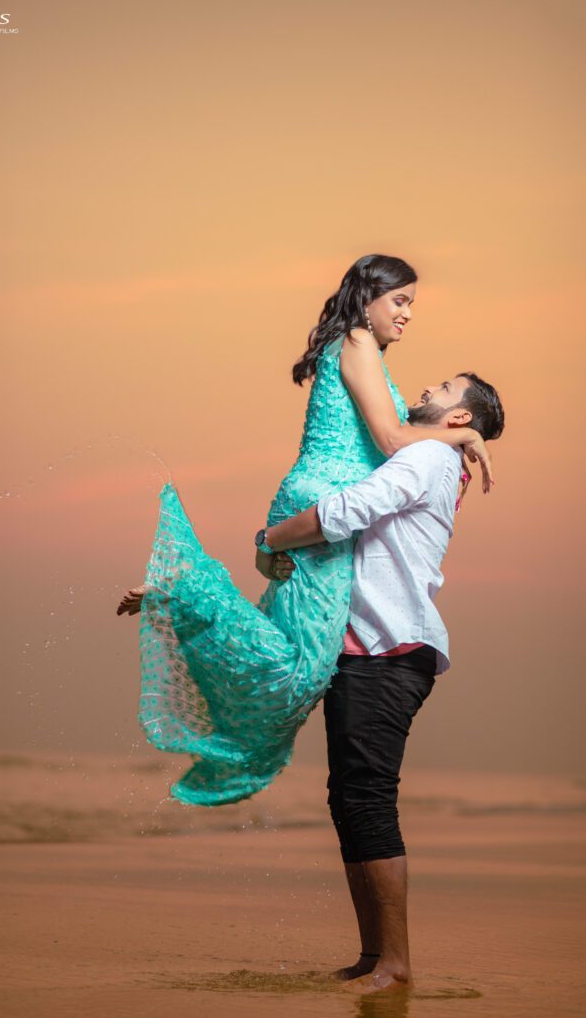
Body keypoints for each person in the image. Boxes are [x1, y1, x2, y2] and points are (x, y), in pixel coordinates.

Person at [117, 254, 493, 806]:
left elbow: (396, 439)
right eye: (401, 300)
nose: (409, 314)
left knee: (291, 646)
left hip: (325, 503)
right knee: (301, 672)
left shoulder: (365, 352)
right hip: (324, 504)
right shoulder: (359, 342)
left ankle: (183, 597)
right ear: (369, 295)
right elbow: (391, 440)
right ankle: (184, 591)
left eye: (411, 303)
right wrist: (461, 438)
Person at [253, 371, 505, 994]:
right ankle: (373, 958)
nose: (426, 386)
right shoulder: (432, 452)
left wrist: (268, 539)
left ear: (457, 418)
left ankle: (395, 965)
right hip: (368, 650)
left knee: (367, 799)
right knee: (349, 799)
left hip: (390, 651)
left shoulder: (426, 456)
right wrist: (469, 436)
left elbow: (348, 510)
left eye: (444, 387)